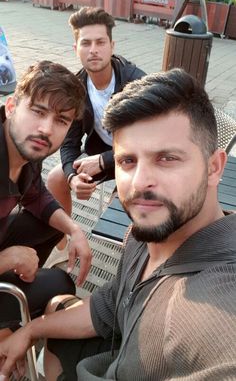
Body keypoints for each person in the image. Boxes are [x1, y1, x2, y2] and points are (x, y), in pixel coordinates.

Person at [1, 68, 236, 381]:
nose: (140, 183)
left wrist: (73, 229)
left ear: (214, 167)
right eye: (128, 161)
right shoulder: (144, 233)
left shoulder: (219, 311)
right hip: (116, 350)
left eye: (167, 158)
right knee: (59, 301)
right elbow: (110, 303)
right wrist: (29, 329)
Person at [45, 7, 145, 265]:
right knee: (56, 177)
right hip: (103, 153)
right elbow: (68, 142)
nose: (93, 50)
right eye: (85, 43)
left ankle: (133, 266)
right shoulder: (76, 88)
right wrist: (72, 176)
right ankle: (61, 244)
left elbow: (149, 142)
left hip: (139, 160)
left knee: (125, 208)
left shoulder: (136, 84)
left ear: (112, 45)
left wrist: (103, 161)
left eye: (100, 42)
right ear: (75, 48)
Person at [0, 60, 91, 340]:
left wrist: (74, 230)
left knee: (54, 222)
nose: (46, 129)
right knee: (61, 282)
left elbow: (36, 195)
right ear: (12, 106)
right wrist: (9, 258)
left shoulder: (25, 148)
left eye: (61, 120)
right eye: (38, 112)